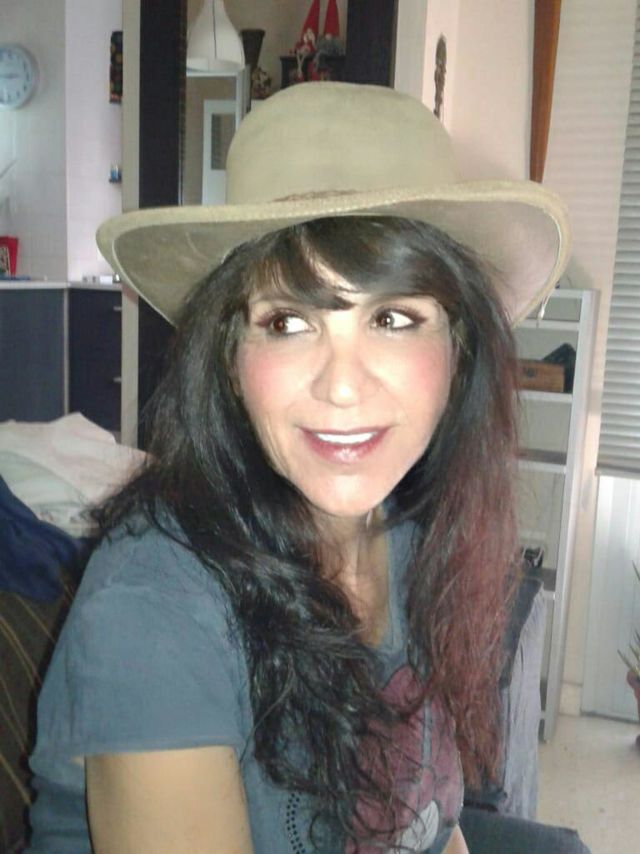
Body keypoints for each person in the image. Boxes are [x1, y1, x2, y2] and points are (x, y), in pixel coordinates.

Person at [26, 83, 581, 853]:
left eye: (392, 318)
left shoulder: (412, 529)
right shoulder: (154, 609)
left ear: (458, 352)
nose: (341, 387)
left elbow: (429, 822)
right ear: (229, 359)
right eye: (288, 321)